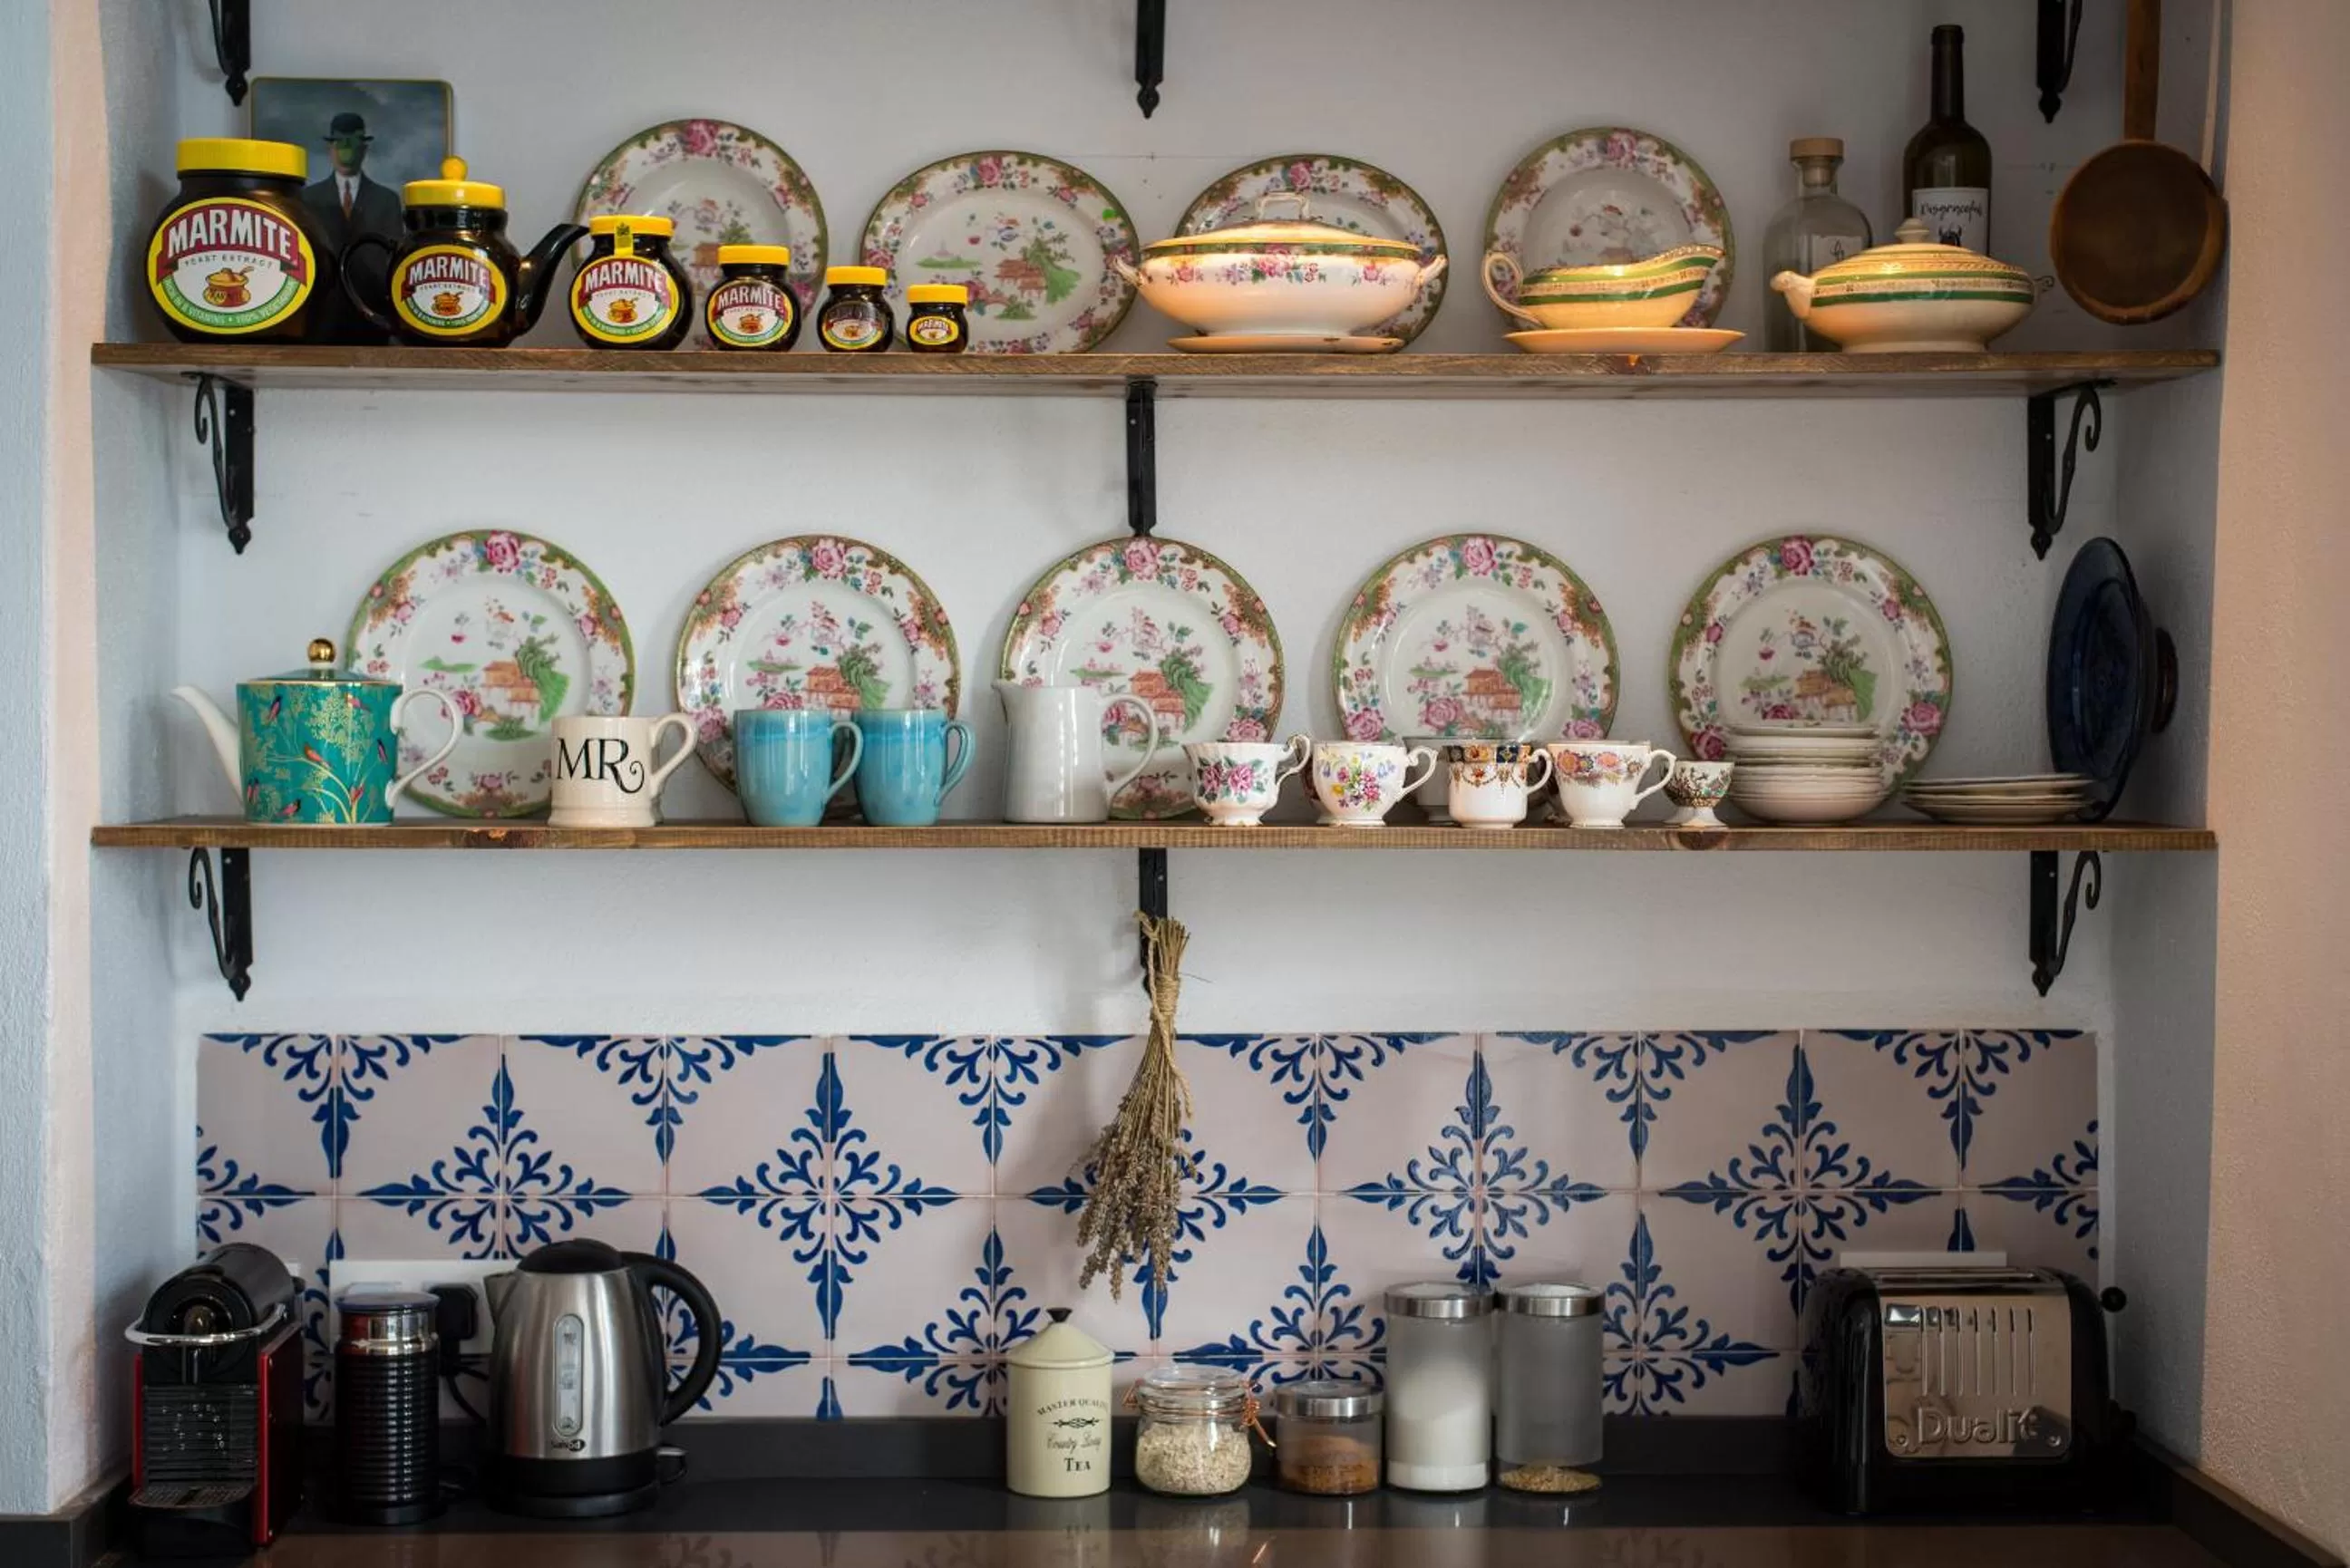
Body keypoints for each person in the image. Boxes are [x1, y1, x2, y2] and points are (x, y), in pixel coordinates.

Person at [300, 111, 403, 254]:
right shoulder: (308, 198)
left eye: (352, 143)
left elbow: (394, 254)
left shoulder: (387, 201)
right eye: (340, 143)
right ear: (330, 148)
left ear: (364, 149)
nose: (346, 150)